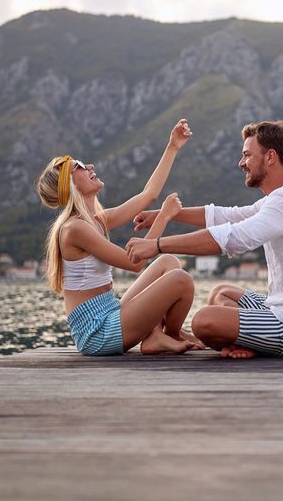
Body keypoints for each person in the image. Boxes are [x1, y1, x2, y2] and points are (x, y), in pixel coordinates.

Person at [125, 120, 283, 359]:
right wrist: (165, 215)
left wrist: (156, 245)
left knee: (204, 321)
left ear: (270, 157)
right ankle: (245, 340)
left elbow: (234, 238)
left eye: (247, 155)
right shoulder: (279, 198)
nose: (241, 163)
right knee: (222, 292)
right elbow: (226, 215)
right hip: (281, 309)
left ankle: (245, 340)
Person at [35, 119, 204, 356]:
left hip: (111, 312)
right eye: (80, 166)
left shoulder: (97, 220)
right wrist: (163, 218)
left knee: (169, 263)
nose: (90, 166)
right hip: (96, 333)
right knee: (180, 279)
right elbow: (134, 263)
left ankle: (160, 335)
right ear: (71, 185)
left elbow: (149, 194)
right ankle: (167, 335)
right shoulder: (74, 229)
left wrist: (172, 147)